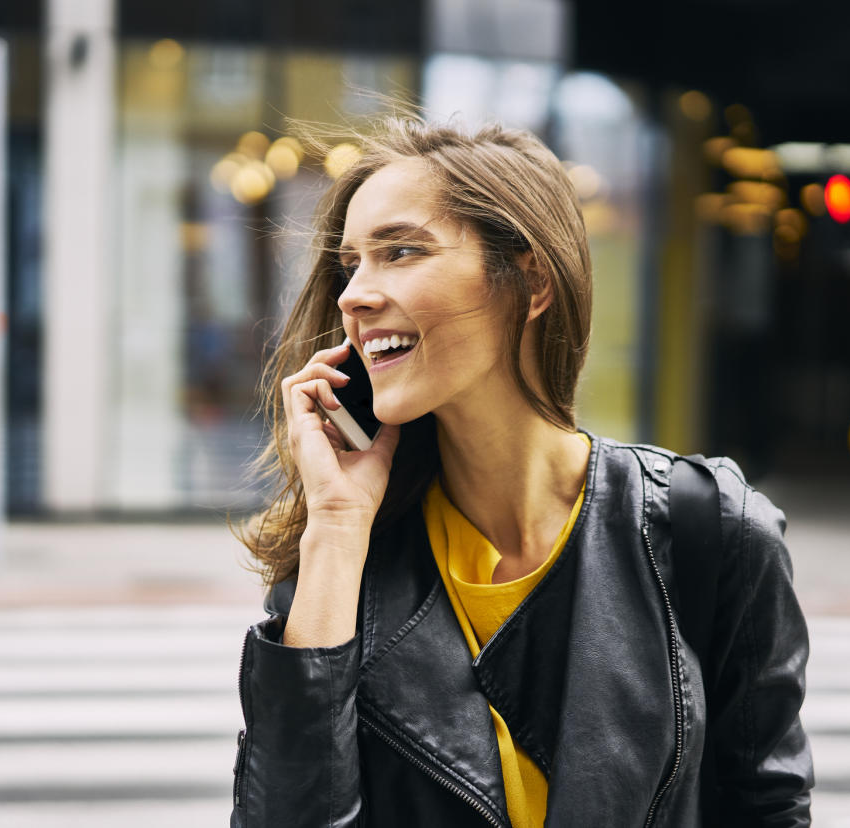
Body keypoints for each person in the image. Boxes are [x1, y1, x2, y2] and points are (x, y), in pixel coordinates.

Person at [230, 117, 813, 828]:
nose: (353, 295)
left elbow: (767, 809)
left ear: (531, 278)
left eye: (400, 251)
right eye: (351, 264)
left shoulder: (708, 529)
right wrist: (336, 523)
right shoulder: (342, 556)